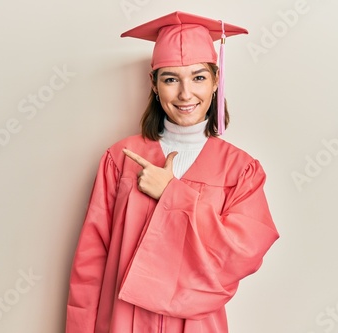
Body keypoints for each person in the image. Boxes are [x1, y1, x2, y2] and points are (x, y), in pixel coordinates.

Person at [65, 11, 279, 333]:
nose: (185, 94)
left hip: (196, 325)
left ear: (216, 80)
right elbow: (91, 262)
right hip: (124, 322)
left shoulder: (241, 170)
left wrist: (172, 193)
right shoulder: (121, 159)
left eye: (198, 77)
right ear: (153, 84)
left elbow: (240, 254)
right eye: (170, 79)